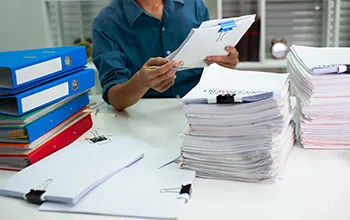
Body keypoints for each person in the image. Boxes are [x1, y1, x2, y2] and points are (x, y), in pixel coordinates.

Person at [92, 0, 239, 111]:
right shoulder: (106, 23)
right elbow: (115, 98)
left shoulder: (194, 5)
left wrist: (224, 63)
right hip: (145, 115)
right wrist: (140, 82)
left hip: (201, 109)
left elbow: (211, 61)